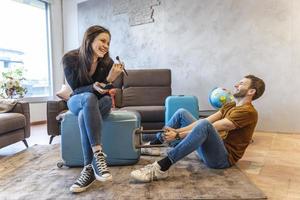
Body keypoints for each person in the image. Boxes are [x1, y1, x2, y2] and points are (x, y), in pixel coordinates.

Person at [131, 75, 265, 182]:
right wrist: (177, 132)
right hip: (210, 150)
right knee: (182, 112)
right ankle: (154, 144)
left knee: (204, 126)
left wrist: (178, 136)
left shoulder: (248, 112)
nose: (236, 85)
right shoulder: (230, 105)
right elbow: (207, 120)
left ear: (251, 91)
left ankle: (161, 168)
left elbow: (213, 126)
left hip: (221, 159)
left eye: (241, 84)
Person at [62, 25, 124, 193]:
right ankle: (98, 156)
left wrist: (110, 79)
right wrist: (100, 85)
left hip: (100, 103)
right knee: (87, 100)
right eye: (102, 41)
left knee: (86, 113)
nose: (106, 46)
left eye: (108, 43)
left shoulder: (108, 62)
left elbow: (105, 90)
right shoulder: (70, 58)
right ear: (89, 40)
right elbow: (76, 90)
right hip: (77, 101)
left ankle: (88, 169)